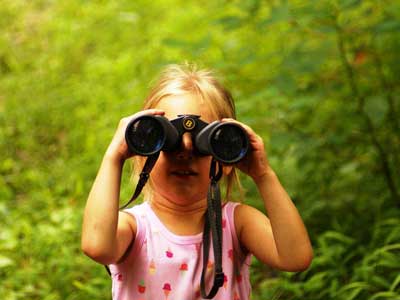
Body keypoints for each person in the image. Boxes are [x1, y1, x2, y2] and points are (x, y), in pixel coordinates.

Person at [81, 63, 313, 300]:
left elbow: (295, 258)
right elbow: (96, 245)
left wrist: (264, 175)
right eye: (168, 141)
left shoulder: (237, 223)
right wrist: (113, 157)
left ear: (225, 156)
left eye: (204, 141)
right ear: (142, 154)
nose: (185, 151)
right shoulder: (135, 228)